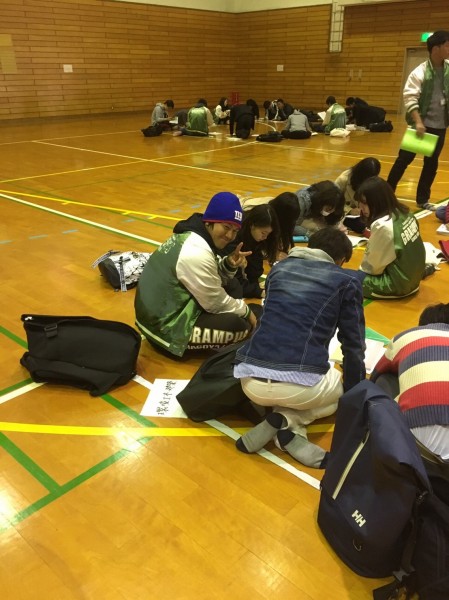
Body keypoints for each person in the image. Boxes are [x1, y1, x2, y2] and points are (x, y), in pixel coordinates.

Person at [234, 228, 366, 468]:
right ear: (340, 260)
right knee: (340, 391)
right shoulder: (346, 281)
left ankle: (280, 422)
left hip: (250, 381)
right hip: (299, 387)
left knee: (293, 386)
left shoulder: (278, 269)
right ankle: (289, 420)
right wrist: (355, 393)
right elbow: (353, 344)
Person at [134, 192, 260, 357]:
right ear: (210, 222)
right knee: (240, 326)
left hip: (161, 312)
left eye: (235, 231)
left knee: (233, 286)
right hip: (163, 330)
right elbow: (214, 302)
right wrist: (246, 311)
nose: (230, 236)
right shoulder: (196, 251)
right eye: (226, 227)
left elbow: (212, 278)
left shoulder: (195, 236)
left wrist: (229, 264)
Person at [371, 302, 449, 461]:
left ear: (422, 326)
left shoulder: (406, 336)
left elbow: (375, 375)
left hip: (414, 448)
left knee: (385, 379)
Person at [387, 30, 449, 210]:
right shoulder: (420, 72)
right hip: (421, 126)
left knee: (431, 164)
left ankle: (423, 199)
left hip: (440, 126)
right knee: (404, 160)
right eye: (447, 45)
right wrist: (419, 122)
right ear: (436, 48)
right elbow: (410, 98)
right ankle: (387, 195)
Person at [355, 176, 426, 299]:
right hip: (414, 277)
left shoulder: (383, 225)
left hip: (400, 285)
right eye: (360, 203)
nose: (361, 207)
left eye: (365, 203)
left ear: (378, 201)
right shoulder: (405, 212)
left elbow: (372, 268)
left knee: (351, 279)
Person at [222, 203, 280, 299]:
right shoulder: (234, 238)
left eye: (268, 234)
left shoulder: (256, 238)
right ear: (252, 225)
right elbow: (234, 282)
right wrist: (258, 292)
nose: (265, 237)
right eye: (263, 233)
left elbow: (255, 270)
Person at [240, 191, 301, 259]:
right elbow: (255, 247)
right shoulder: (262, 215)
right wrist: (272, 253)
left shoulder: (277, 213)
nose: (265, 237)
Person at [335, 157, 381, 234]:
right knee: (361, 225)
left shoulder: (373, 180)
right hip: (346, 214)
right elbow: (333, 202)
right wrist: (350, 210)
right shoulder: (343, 179)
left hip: (365, 214)